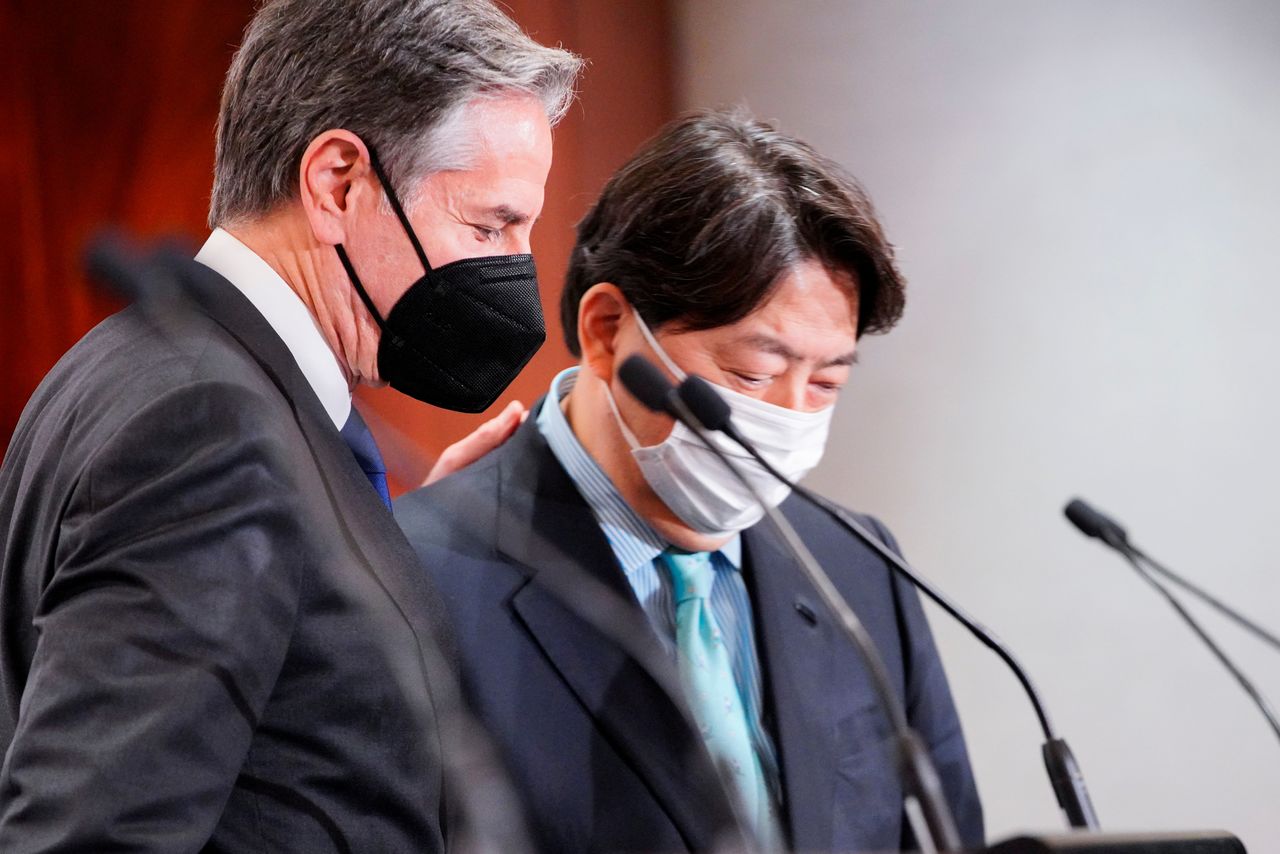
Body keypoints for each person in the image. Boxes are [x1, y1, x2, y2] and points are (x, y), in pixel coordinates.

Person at [0, 0, 580, 850]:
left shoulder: (154, 371)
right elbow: (98, 834)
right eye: (490, 225)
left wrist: (392, 555)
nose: (516, 268)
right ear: (338, 183)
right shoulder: (207, 431)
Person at [396, 109, 985, 853]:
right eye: (753, 373)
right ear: (608, 330)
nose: (788, 418)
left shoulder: (858, 569)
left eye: (826, 384)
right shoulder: (417, 576)